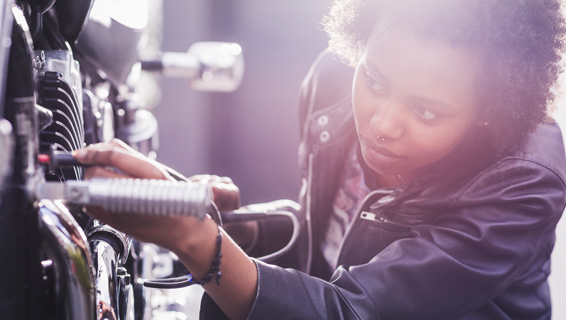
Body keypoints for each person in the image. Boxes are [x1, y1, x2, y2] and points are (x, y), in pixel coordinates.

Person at [73, 0, 566, 319]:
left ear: (490, 112)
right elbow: (330, 234)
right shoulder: (335, 78)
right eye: (375, 82)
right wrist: (230, 226)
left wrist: (196, 239)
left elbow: (354, 311)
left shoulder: (523, 182)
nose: (382, 122)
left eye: (426, 110)